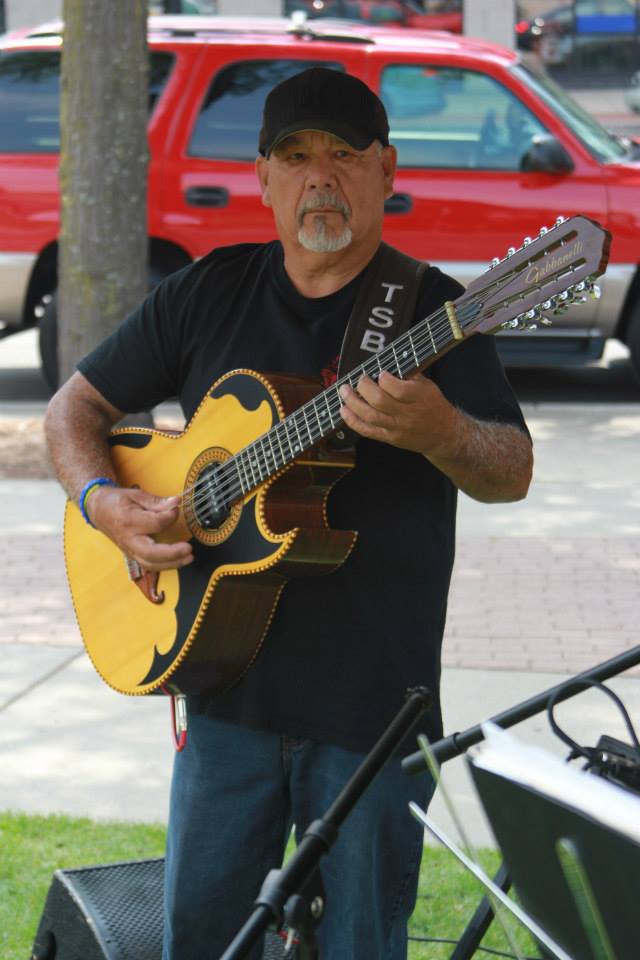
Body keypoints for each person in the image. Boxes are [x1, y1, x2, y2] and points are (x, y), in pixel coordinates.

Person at [45, 67, 533, 960]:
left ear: (386, 172)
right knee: (202, 942)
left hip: (373, 713)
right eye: (296, 156)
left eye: (343, 156)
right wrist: (102, 500)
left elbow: (510, 471)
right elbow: (70, 413)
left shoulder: (436, 311)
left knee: (357, 947)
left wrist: (442, 430)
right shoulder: (208, 292)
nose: (320, 177)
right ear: (264, 179)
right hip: (221, 693)